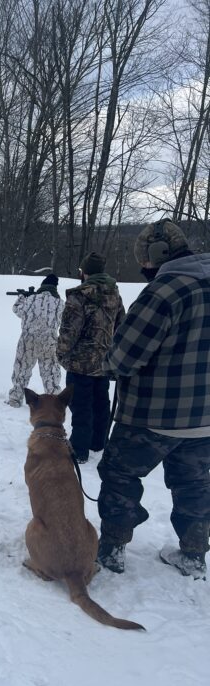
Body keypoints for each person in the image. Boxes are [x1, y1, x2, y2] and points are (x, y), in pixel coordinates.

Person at [96, 219, 210, 579]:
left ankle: (112, 550)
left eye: (144, 260)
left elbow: (124, 357)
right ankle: (193, 555)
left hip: (149, 417)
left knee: (119, 476)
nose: (143, 267)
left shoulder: (163, 292)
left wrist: (107, 365)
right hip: (204, 419)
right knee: (194, 484)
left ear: (157, 255)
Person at [56, 252, 125, 463]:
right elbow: (121, 326)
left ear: (84, 272)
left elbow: (69, 331)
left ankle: (79, 450)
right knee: (100, 404)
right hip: (104, 363)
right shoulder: (114, 294)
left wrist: (61, 353)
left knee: (81, 407)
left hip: (80, 364)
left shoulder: (79, 296)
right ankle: (98, 443)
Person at [6, 274, 64, 407]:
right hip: (49, 342)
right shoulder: (60, 303)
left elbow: (17, 309)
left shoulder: (31, 299)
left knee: (21, 370)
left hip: (28, 340)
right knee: (51, 373)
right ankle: (54, 402)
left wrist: (22, 297)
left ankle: (15, 399)